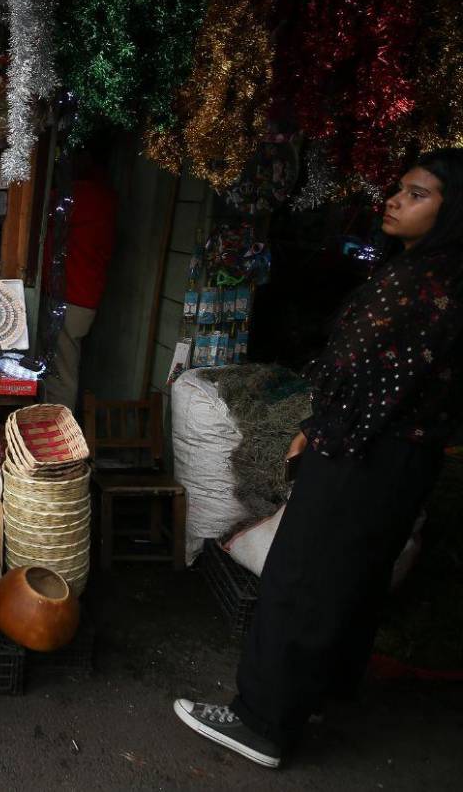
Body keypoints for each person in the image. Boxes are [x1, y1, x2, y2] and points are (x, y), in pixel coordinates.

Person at [174, 149, 463, 769]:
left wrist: (323, 432)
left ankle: (262, 721)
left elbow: (375, 382)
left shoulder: (431, 288)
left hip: (364, 452)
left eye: (417, 195)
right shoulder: (424, 272)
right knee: (348, 582)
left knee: (302, 579)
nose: (394, 200)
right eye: (399, 189)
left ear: (451, 211)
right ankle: (311, 698)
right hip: (387, 454)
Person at [50, 137, 117, 410]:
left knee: (61, 372)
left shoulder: (84, 195)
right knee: (62, 366)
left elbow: (46, 206)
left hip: (72, 296)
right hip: (80, 296)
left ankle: (58, 434)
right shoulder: (103, 196)